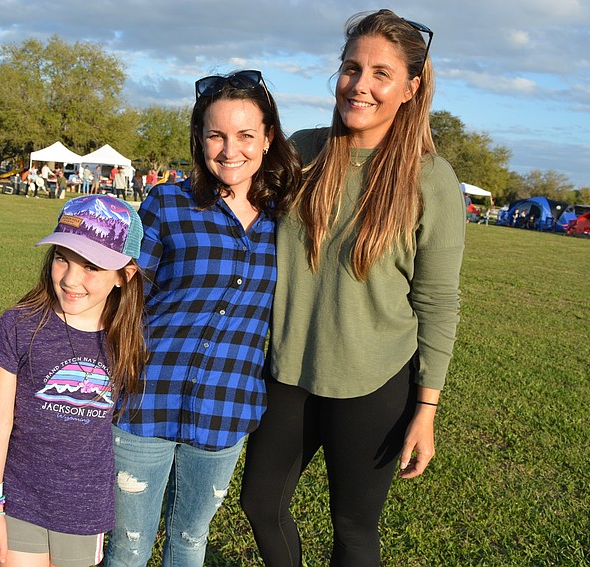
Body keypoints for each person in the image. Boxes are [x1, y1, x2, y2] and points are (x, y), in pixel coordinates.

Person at [240, 10, 465, 567]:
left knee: (354, 527)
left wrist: (426, 409)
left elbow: (437, 302)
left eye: (380, 74)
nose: (359, 85)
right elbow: (236, 204)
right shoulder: (302, 151)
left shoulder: (430, 179)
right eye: (350, 67)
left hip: (374, 380)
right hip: (290, 371)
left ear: (411, 88)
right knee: (260, 503)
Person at [103, 69, 301, 567]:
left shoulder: (290, 218)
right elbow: (117, 289)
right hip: (144, 400)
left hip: (226, 409)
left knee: (190, 542)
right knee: (128, 547)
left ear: (268, 138)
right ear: (200, 138)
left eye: (245, 135)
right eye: (216, 134)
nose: (229, 149)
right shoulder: (167, 203)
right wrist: (29, 331)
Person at [0, 194, 147, 567]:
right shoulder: (19, 325)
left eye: (91, 267)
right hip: (20, 499)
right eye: (62, 259)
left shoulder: (126, 337)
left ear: (124, 276)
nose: (70, 279)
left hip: (85, 510)